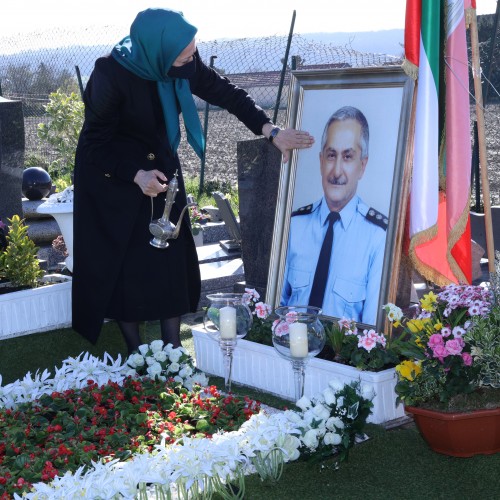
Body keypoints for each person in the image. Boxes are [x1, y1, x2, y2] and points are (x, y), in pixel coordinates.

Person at [72, 8, 314, 354]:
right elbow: (94, 144)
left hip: (161, 167)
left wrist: (271, 130)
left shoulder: (181, 61)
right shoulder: (110, 75)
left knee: (170, 258)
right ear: (159, 51)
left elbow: (226, 93)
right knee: (128, 265)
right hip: (117, 175)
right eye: (184, 55)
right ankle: (137, 352)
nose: (191, 61)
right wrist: (135, 175)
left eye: (192, 52)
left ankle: (171, 346)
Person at [280, 106, 387, 325]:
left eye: (348, 157)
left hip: (342, 357)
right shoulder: (294, 225)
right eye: (331, 155)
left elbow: (371, 328)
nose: (336, 171)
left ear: (362, 166)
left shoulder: (378, 237)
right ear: (321, 161)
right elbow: (277, 307)